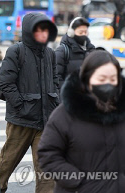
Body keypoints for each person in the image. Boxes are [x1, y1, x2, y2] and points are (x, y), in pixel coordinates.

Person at [38, 50, 125, 193]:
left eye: (113, 79)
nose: (108, 84)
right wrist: (81, 182)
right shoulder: (65, 114)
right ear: (87, 79)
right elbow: (48, 155)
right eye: (101, 79)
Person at [0, 13, 59, 193]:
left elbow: (55, 80)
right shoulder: (16, 51)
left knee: (46, 166)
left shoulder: (49, 53)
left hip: (45, 120)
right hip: (21, 120)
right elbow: (5, 83)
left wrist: (56, 102)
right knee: (6, 163)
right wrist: (21, 106)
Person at [56, 17, 95, 88]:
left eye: (85, 32)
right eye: (80, 32)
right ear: (72, 33)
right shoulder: (62, 51)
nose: (84, 34)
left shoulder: (91, 50)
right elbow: (56, 78)